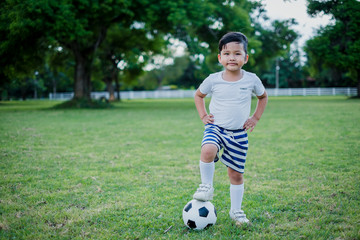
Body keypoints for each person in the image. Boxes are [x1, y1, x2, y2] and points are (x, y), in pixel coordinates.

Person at [192, 32, 268, 225]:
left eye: (237, 53)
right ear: (220, 58)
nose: (232, 57)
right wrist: (203, 116)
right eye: (226, 53)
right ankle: (206, 186)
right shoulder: (213, 79)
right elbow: (198, 95)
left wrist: (255, 117)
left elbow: (263, 97)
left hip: (239, 134)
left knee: (236, 174)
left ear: (245, 58)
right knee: (207, 149)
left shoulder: (251, 79)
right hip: (215, 127)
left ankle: (236, 211)